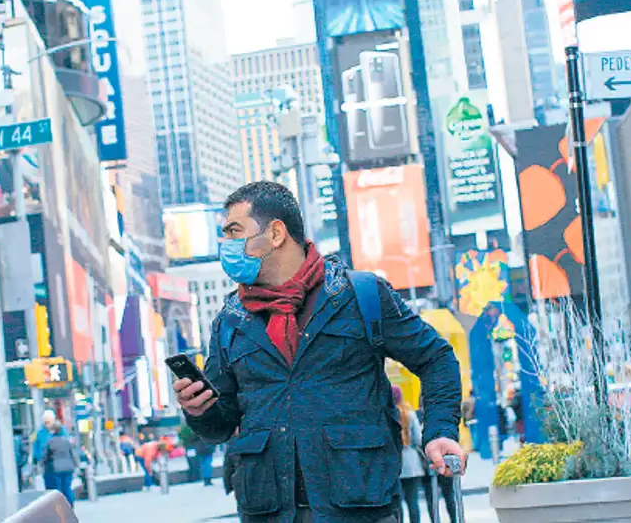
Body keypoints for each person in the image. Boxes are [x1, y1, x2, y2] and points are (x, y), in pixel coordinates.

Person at [173, 182, 465, 522]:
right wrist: (198, 409)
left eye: (234, 232)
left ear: (277, 234)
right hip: (269, 511)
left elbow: (436, 358)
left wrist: (440, 431)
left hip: (359, 507)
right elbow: (219, 427)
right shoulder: (231, 320)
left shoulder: (360, 295)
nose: (225, 245)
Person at [395, 387, 426, 523]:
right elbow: (418, 439)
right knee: (413, 501)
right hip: (412, 463)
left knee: (397, 503)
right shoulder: (410, 414)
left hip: (395, 464)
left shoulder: (387, 414)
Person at [43, 422, 79, 507]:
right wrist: (76, 464)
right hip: (68, 468)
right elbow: (73, 454)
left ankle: (61, 507)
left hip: (56, 469)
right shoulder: (67, 441)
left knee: (58, 490)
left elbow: (45, 456)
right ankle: (70, 505)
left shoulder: (50, 442)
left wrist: (43, 465)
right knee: (67, 488)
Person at [33, 410, 57, 488]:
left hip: (59, 463)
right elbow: (36, 448)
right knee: (49, 486)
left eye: (49, 422)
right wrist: (37, 459)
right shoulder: (40, 433)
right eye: (46, 422)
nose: (47, 424)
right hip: (47, 464)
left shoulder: (61, 430)